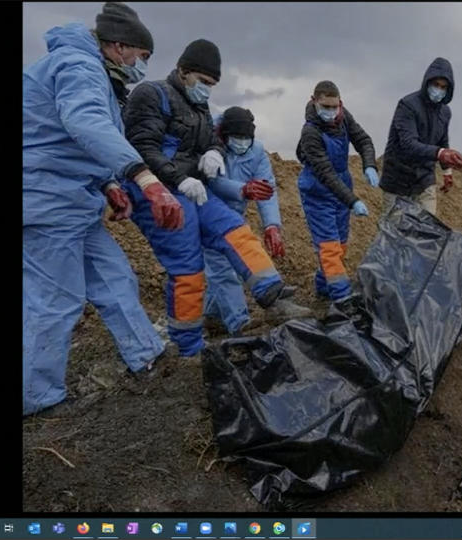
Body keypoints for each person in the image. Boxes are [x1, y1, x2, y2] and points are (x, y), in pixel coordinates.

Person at [23, 2, 183, 416]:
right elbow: (84, 123)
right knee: (55, 299)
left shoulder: (94, 74)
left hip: (74, 200)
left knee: (115, 277)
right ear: (119, 46)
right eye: (142, 57)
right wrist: (143, 178)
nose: (142, 66)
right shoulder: (78, 66)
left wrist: (110, 183)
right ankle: (36, 399)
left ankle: (146, 356)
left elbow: (72, 142)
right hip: (44, 199)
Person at [122, 39, 312, 358]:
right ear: (183, 71)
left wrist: (213, 151)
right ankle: (189, 348)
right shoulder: (151, 94)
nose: (207, 90)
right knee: (188, 268)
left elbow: (212, 140)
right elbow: (141, 147)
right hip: (158, 191)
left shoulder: (200, 109)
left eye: (212, 85)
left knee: (236, 230)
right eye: (204, 82)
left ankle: (275, 298)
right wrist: (178, 179)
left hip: (195, 189)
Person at [203, 106, 295, 335]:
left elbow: (267, 189)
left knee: (230, 269)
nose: (242, 143)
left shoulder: (257, 153)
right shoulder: (208, 145)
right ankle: (239, 323)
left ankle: (212, 317)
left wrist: (272, 225)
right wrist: (242, 190)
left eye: (246, 138)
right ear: (224, 136)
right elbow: (210, 181)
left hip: (234, 216)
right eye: (237, 138)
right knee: (221, 268)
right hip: (208, 213)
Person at [295, 80, 378, 302]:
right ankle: (343, 299)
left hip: (342, 184)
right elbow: (325, 173)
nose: (331, 112)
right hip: (318, 190)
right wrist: (353, 201)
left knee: (340, 244)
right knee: (329, 247)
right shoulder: (310, 132)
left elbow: (363, 139)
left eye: (335, 106)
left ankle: (323, 287)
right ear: (314, 102)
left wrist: (369, 164)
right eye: (326, 107)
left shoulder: (343, 117)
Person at [378, 57, 462, 216]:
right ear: (427, 82)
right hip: (398, 179)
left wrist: (447, 171)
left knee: (428, 230)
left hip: (424, 179)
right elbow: (409, 144)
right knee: (394, 234)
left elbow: (443, 141)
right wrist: (440, 153)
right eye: (435, 85)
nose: (438, 90)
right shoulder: (407, 106)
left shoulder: (445, 112)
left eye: (443, 87)